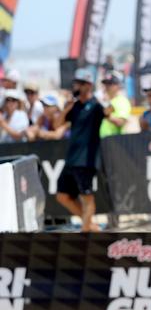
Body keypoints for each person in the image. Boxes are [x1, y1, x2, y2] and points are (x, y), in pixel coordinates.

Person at [54, 68, 105, 232]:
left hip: (86, 160)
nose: (76, 86)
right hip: (72, 159)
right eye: (76, 83)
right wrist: (66, 108)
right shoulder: (73, 106)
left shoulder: (96, 106)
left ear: (88, 85)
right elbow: (57, 125)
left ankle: (85, 231)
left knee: (87, 197)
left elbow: (109, 112)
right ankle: (90, 227)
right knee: (62, 196)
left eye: (80, 83)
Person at [99, 70, 131, 138]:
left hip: (115, 141)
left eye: (110, 84)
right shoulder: (103, 101)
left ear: (117, 85)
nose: (107, 86)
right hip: (101, 142)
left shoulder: (122, 101)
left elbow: (121, 122)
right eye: (105, 84)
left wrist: (107, 116)